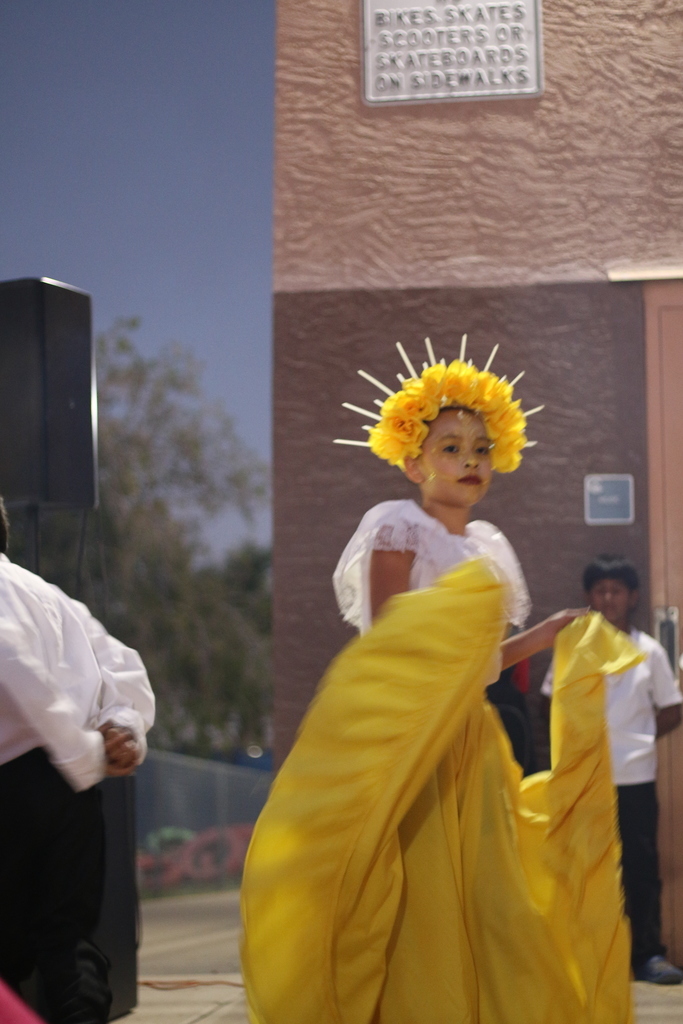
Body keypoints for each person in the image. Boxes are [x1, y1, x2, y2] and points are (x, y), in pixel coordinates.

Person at [241, 339, 642, 1023]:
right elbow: (393, 635)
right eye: (450, 447)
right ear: (412, 461)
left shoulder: (486, 548)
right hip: (413, 735)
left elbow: (480, 662)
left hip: (470, 736)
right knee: (415, 883)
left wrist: (545, 634)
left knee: (487, 887)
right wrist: (455, 620)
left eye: (481, 448)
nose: (469, 461)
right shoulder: (399, 527)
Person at [0, 495, 155, 1023]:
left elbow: (14, 668)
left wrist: (79, 749)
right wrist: (123, 729)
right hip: (72, 793)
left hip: (14, 781)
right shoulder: (49, 595)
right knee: (67, 939)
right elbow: (123, 668)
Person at [541, 555, 683, 985]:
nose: (607, 599)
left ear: (632, 597)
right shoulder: (574, 646)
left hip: (635, 776)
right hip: (585, 779)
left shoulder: (649, 650)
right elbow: (549, 701)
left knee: (640, 867)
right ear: (588, 597)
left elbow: (672, 708)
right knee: (585, 867)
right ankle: (586, 957)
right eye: (599, 591)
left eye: (616, 591)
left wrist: (639, 736)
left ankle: (648, 955)